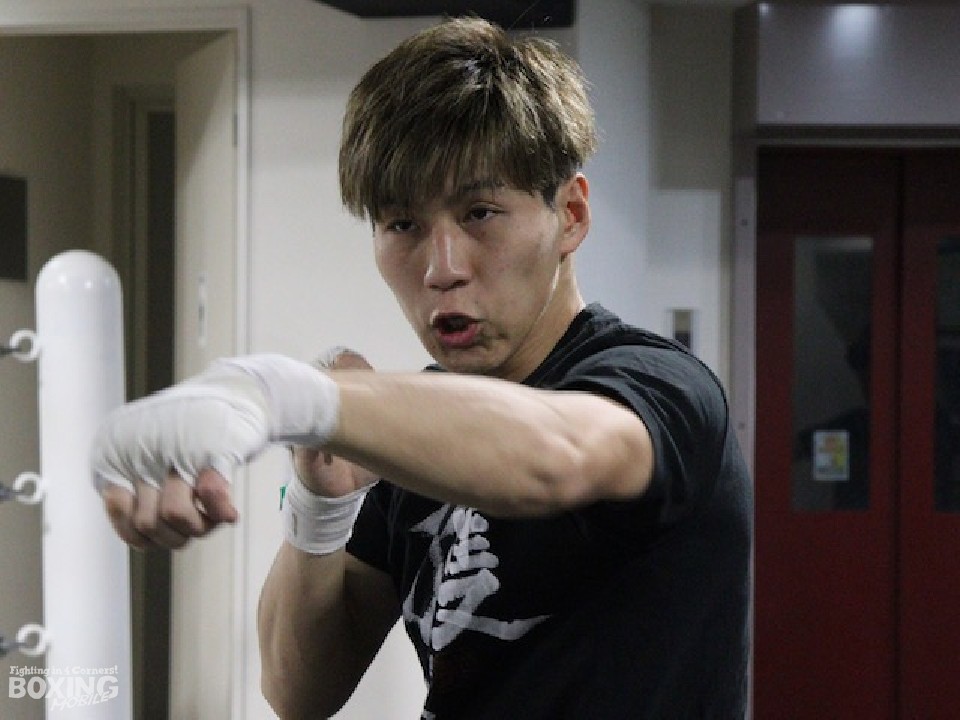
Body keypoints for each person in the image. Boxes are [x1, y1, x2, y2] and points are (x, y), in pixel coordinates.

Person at [91, 17, 753, 719]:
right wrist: (320, 504)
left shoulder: (658, 385)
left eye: (481, 213)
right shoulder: (421, 430)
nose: (442, 268)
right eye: (402, 224)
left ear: (571, 215)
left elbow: (558, 454)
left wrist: (287, 395)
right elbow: (297, 692)